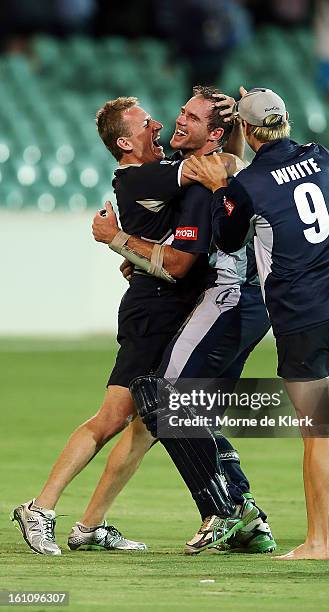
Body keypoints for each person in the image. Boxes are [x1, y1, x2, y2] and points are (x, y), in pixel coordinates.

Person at [11, 92, 262, 556]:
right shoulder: (142, 175)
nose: (160, 126)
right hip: (154, 308)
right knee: (113, 418)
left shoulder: (158, 172)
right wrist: (238, 131)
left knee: (148, 424)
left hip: (171, 302)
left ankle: (90, 527)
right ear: (125, 142)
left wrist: (124, 246)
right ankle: (40, 507)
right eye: (147, 123)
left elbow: (219, 164)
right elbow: (214, 167)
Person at [184, 87, 329, 559]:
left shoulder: (249, 185)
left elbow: (227, 237)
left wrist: (221, 187)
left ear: (244, 129)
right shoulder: (321, 157)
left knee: (315, 430)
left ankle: (317, 542)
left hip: (302, 317)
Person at [92, 86, 276, 554]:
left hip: (229, 297)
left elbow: (177, 264)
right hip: (246, 302)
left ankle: (223, 512)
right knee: (194, 409)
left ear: (214, 133)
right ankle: (246, 514)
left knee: (163, 399)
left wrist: (120, 241)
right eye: (181, 111)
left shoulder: (203, 177)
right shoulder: (208, 171)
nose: (176, 122)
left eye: (190, 118)